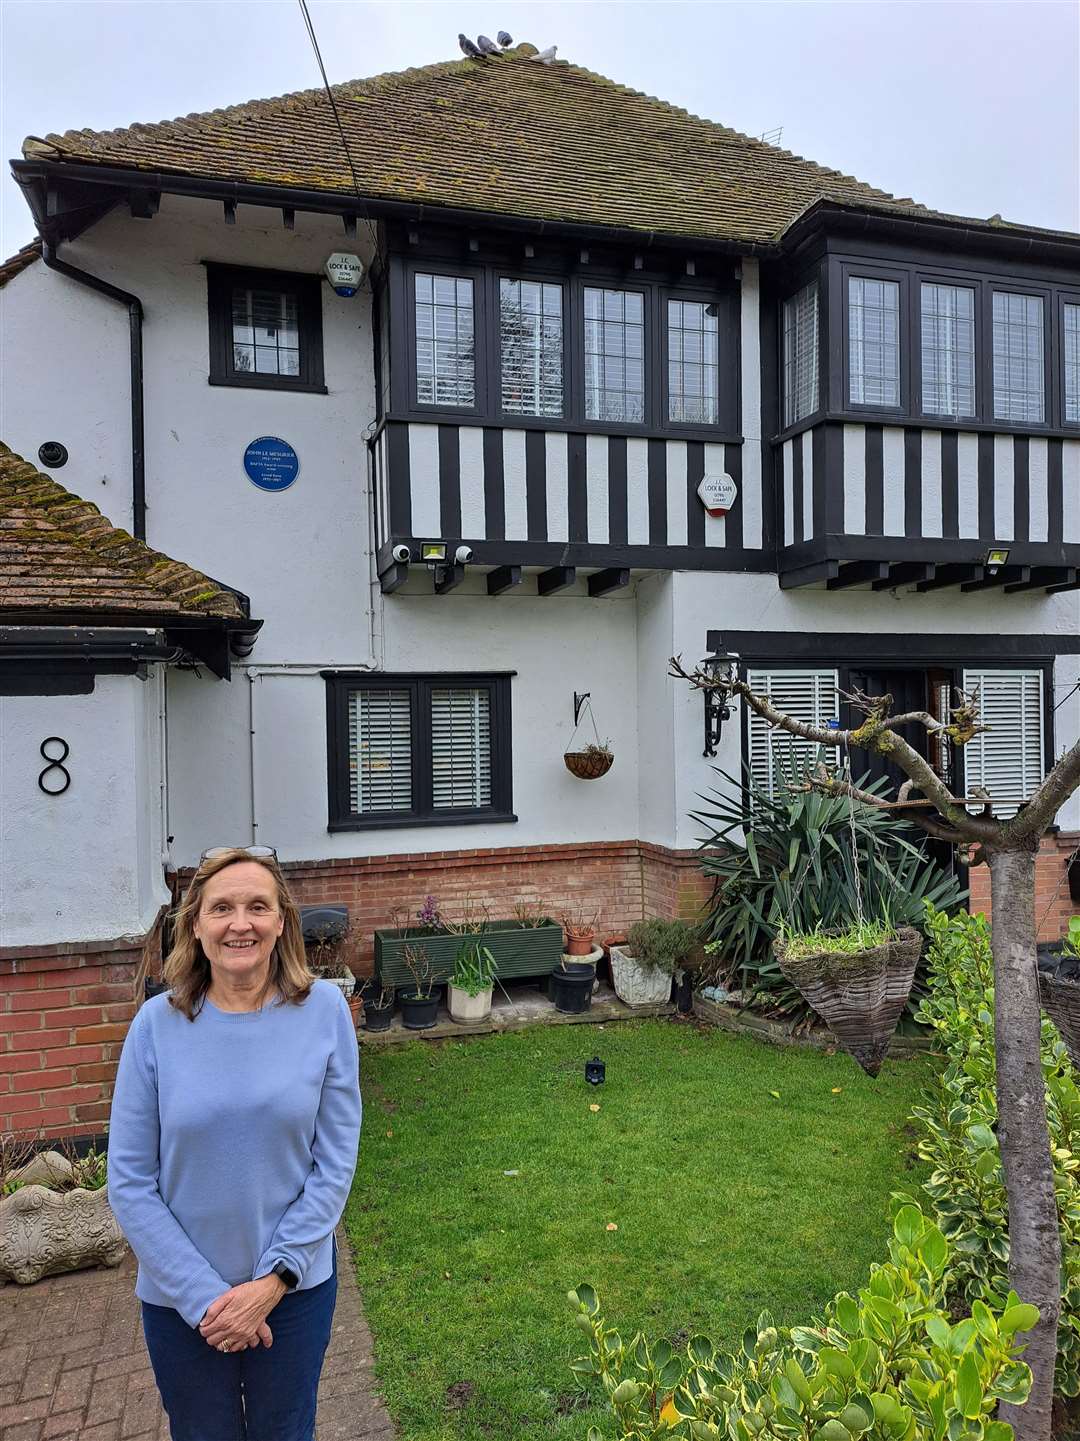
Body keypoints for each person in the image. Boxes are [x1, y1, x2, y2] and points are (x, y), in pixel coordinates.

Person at [108, 845, 362, 1441]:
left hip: (294, 1293)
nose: (239, 923)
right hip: (181, 1303)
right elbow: (129, 1180)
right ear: (194, 924)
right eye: (221, 908)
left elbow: (335, 1163)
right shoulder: (154, 1026)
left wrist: (274, 1280)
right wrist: (205, 1300)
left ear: (281, 921)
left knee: (286, 1432)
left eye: (257, 906)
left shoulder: (325, 1012)